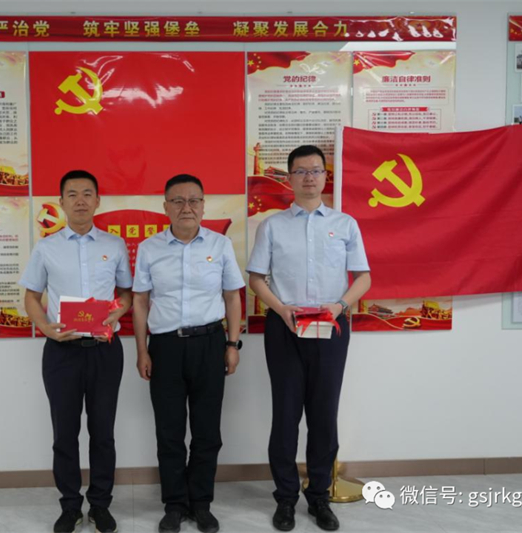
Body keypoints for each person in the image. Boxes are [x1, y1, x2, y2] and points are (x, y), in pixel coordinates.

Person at [247, 146, 371, 532]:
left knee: (323, 415)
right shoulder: (272, 226)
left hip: (330, 328)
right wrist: (281, 308)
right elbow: (256, 279)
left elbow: (363, 277)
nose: (309, 177)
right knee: (285, 416)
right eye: (300, 171)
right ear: (289, 178)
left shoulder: (345, 224)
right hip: (285, 328)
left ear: (325, 176)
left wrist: (339, 305)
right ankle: (285, 498)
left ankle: (319, 496)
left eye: (315, 170)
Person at [19, 170, 132, 533]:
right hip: (61, 352)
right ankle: (70, 506)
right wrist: (44, 326)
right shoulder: (46, 247)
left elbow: (126, 293)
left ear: (98, 200)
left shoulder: (114, 245)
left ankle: (100, 504)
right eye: (72, 194)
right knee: (64, 433)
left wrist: (118, 311)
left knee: (103, 432)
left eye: (87, 193)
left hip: (104, 350)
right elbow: (31, 297)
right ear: (62, 202)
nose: (80, 200)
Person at [132, 174, 245, 533]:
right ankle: (174, 505)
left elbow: (232, 297)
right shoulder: (149, 248)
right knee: (169, 432)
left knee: (207, 431)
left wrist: (232, 344)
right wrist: (142, 350)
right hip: (165, 347)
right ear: (165, 207)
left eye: (194, 200)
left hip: (210, 344)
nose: (186, 207)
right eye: (178, 201)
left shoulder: (220, 245)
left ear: (203, 205)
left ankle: (201, 503)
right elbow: (140, 301)